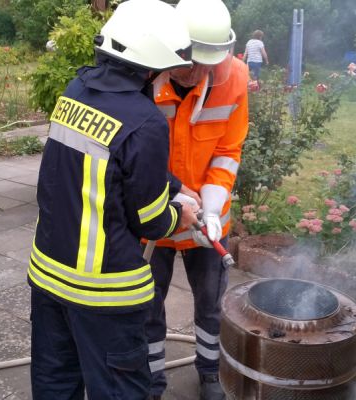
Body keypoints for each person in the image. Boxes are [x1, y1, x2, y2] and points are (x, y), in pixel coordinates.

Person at [27, 0, 198, 399]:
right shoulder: (147, 120)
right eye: (170, 69)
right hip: (104, 293)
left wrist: (172, 184)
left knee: (55, 384)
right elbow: (151, 221)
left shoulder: (76, 90)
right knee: (118, 390)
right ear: (152, 64)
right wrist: (183, 214)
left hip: (49, 276)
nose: (169, 78)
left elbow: (111, 161)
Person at [146, 0, 249, 399]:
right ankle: (152, 379)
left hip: (208, 222)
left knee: (210, 304)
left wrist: (209, 207)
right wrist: (171, 197)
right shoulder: (147, 75)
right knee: (146, 307)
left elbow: (228, 151)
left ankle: (209, 371)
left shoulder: (235, 77)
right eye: (193, 63)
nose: (202, 73)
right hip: (152, 218)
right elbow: (133, 153)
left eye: (211, 63)